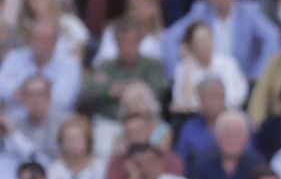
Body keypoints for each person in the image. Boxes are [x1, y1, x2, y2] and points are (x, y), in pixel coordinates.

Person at [164, 0, 281, 81]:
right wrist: (176, 73)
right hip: (205, 79)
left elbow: (273, 37)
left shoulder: (249, 11)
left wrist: (258, 73)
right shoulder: (200, 10)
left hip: (241, 77)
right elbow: (169, 37)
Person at [83, 17, 170, 152]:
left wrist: (119, 89)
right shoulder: (106, 66)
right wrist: (116, 89)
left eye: (131, 42)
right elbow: (92, 92)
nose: (126, 47)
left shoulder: (152, 65)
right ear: (115, 43)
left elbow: (157, 90)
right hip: (110, 121)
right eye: (121, 43)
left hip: (146, 122)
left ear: (139, 41)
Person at [188, 108, 261, 179]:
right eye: (227, 133)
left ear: (247, 138)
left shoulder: (258, 166)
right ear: (216, 136)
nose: (232, 139)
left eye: (237, 134)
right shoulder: (200, 166)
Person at [0, 18, 81, 116]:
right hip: (14, 121)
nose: (40, 44)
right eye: (36, 38)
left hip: (54, 124)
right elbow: (2, 88)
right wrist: (40, 97)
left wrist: (21, 94)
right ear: (29, 39)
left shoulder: (70, 64)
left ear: (55, 41)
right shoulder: (15, 57)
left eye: (45, 39)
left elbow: (61, 101)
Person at [171, 22, 249, 112]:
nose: (205, 45)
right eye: (199, 42)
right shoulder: (183, 68)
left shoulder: (228, 63)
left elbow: (236, 96)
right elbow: (181, 102)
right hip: (197, 117)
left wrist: (209, 106)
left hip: (227, 114)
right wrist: (187, 62)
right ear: (191, 46)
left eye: (207, 39)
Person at [44, 115, 107, 179]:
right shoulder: (54, 170)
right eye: (68, 139)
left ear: (87, 141)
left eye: (77, 139)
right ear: (61, 142)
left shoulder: (100, 168)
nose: (72, 144)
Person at [173, 76, 230, 165]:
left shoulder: (237, 125)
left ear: (223, 98)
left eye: (214, 97)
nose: (210, 103)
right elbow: (180, 159)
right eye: (205, 98)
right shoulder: (190, 126)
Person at [7, 75, 63, 161]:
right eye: (29, 95)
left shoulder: (63, 125)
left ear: (49, 98)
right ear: (22, 99)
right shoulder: (12, 124)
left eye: (40, 95)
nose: (35, 100)